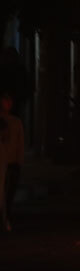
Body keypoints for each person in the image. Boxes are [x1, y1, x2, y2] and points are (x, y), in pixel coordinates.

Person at [0, 91, 24, 232]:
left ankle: (6, 218)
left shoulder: (15, 122)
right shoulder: (13, 122)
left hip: (11, 163)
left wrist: (19, 161)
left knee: (8, 194)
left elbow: (19, 144)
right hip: (4, 162)